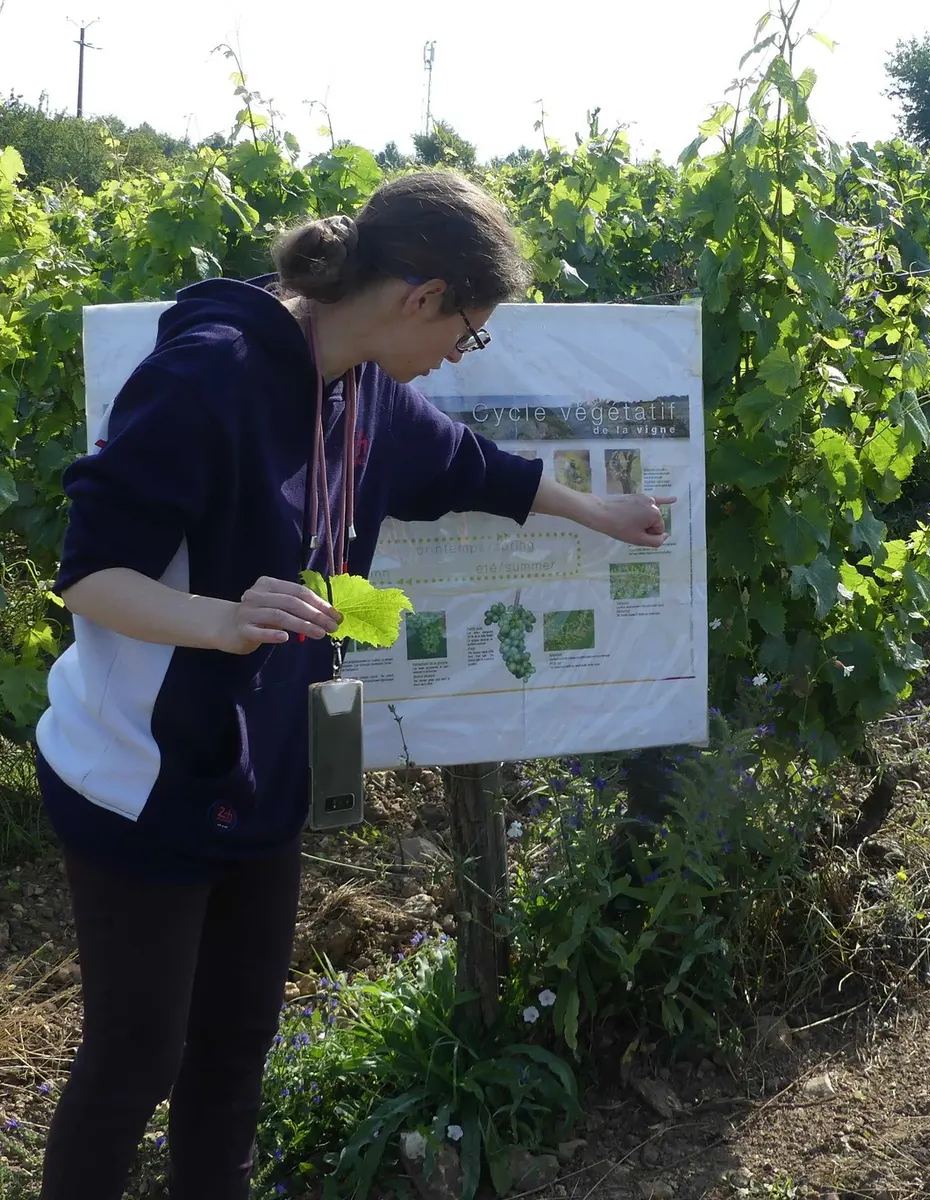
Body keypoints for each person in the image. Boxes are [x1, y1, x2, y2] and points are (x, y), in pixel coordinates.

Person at [33, 169, 672, 1200]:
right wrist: (219, 619)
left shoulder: (363, 391)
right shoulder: (209, 377)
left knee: (236, 1051)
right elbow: (88, 571)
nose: (456, 358)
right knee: (135, 1061)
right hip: (140, 774)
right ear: (419, 296)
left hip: (264, 768)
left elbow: (467, 465)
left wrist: (597, 513)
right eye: (467, 333)